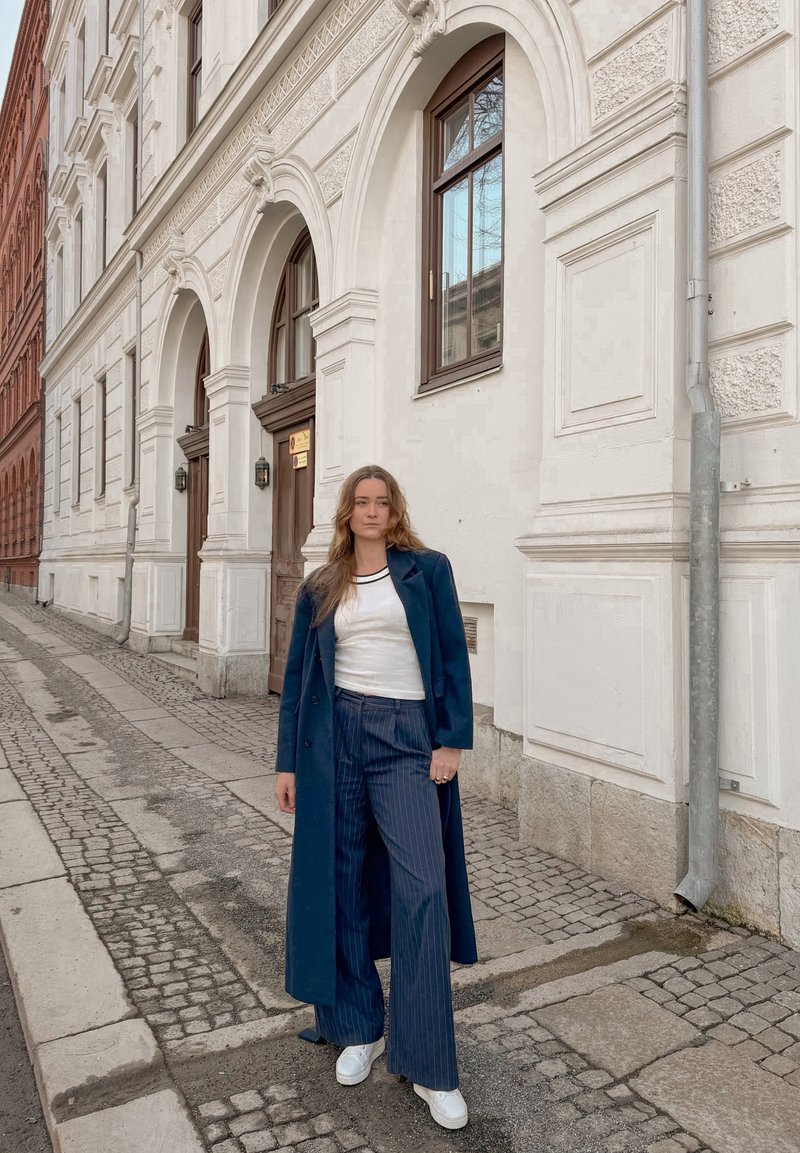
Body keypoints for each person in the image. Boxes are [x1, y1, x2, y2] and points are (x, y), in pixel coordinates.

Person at [274, 464, 477, 1130]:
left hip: (407, 739)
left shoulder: (428, 570)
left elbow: (452, 656)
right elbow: (299, 679)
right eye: (360, 501)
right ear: (347, 512)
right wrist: (287, 764)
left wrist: (450, 742)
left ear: (394, 511)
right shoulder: (322, 584)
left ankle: (429, 1062)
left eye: (381, 501)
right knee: (341, 882)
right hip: (335, 740)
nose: (370, 510)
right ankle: (358, 1026)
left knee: (423, 887)